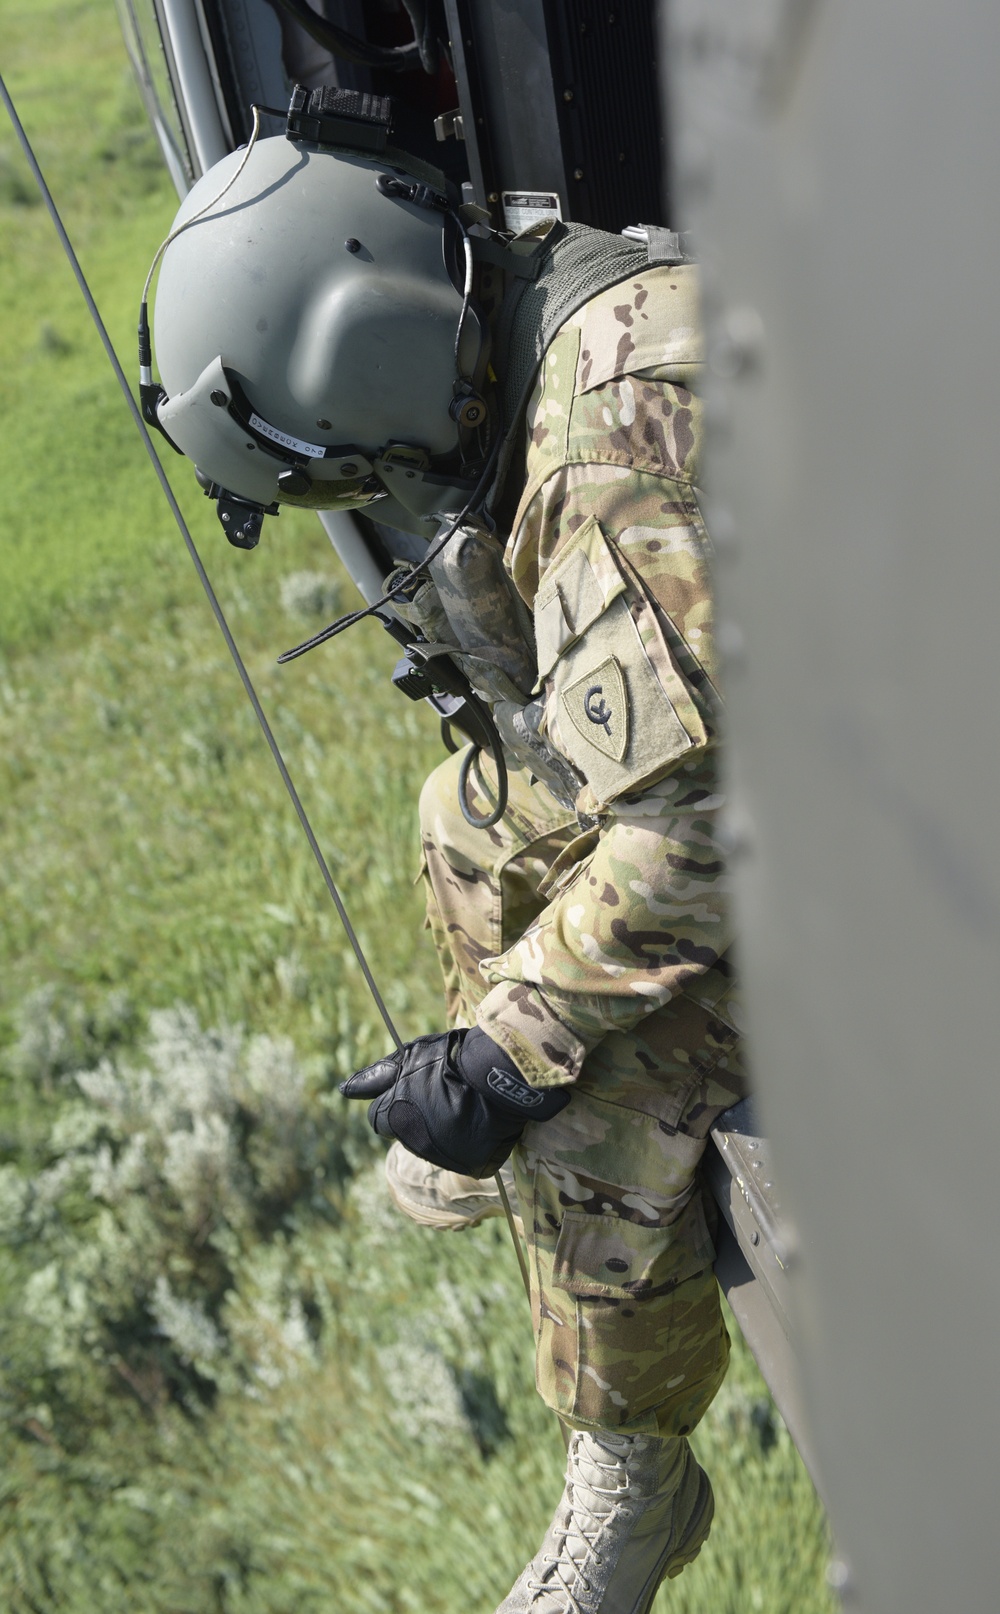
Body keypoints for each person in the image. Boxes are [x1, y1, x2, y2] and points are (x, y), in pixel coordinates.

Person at [148, 87, 746, 1614]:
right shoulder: (540, 291)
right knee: (464, 816)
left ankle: (636, 1476)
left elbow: (699, 839)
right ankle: (534, 1178)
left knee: (580, 1088)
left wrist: (507, 1052)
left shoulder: (611, 444)